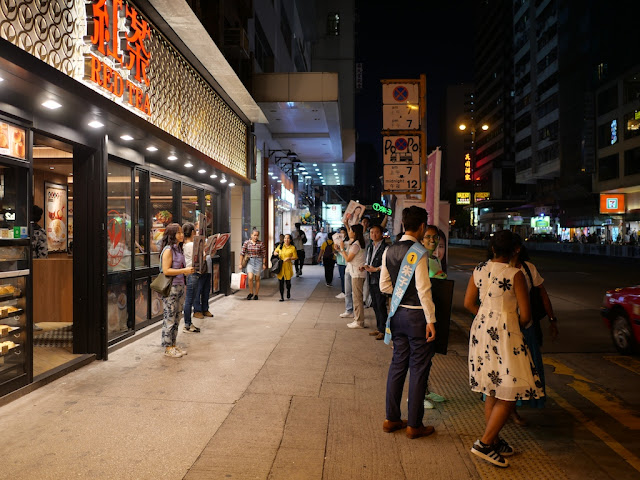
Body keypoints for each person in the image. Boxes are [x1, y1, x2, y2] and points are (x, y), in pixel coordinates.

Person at [463, 230, 544, 468]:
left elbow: (468, 303)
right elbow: (527, 315)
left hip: (480, 331)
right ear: (514, 250)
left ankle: (495, 441)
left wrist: (487, 318)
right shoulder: (514, 273)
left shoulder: (478, 269)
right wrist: (506, 322)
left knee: (492, 387)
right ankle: (485, 443)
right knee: (511, 389)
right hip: (506, 333)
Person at [380, 206, 437, 439]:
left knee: (397, 366)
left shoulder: (389, 250)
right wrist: (431, 320)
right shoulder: (419, 252)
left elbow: (385, 286)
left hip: (397, 316)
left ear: (403, 224)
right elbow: (424, 289)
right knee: (418, 369)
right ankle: (414, 424)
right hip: (417, 318)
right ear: (422, 227)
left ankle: (391, 419)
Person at [509, 234, 559, 426]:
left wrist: (552, 320)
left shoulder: (529, 269)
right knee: (509, 370)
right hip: (505, 329)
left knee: (526, 370)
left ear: (517, 249)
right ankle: (509, 410)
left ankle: (514, 406)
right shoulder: (496, 268)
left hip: (527, 328)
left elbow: (542, 294)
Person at [419, 225, 447, 408]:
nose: (432, 240)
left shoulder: (434, 258)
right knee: (421, 357)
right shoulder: (420, 259)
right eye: (428, 237)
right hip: (422, 314)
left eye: (435, 237)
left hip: (434, 311)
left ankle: (426, 391)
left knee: (429, 356)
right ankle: (418, 396)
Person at [160, 223, 195, 358]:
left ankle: (173, 345)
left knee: (177, 318)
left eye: (182, 232)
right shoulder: (168, 250)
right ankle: (168, 347)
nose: (181, 235)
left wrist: (186, 272)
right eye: (179, 232)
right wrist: (184, 270)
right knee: (169, 318)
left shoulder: (179, 249)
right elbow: (166, 270)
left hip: (180, 286)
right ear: (172, 235)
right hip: (171, 287)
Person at [337, 224, 366, 328]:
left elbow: (348, 259)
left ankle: (359, 321)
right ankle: (357, 319)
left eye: (351, 230)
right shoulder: (357, 243)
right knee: (356, 297)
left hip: (357, 274)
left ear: (354, 232)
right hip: (356, 273)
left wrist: (342, 249)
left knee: (357, 298)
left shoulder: (356, 245)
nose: (349, 232)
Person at [364, 224, 388, 340]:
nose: (373, 234)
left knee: (381, 305)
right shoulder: (370, 246)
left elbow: (388, 264)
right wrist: (365, 266)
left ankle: (384, 330)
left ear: (381, 234)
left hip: (380, 279)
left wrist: (376, 269)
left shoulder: (386, 247)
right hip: (371, 278)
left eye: (376, 232)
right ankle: (379, 328)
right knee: (375, 305)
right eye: (372, 232)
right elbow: (369, 260)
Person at [182, 223, 201, 333]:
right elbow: (199, 257)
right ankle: (187, 324)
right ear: (193, 232)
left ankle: (188, 323)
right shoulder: (191, 245)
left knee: (190, 299)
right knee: (189, 299)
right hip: (192, 272)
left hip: (190, 273)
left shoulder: (185, 245)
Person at [240, 229, 267, 300]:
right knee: (250, 277)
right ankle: (251, 292)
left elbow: (264, 255)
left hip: (258, 261)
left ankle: (256, 294)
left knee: (257, 278)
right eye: (254, 235)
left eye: (257, 235)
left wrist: (264, 264)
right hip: (250, 261)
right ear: (251, 235)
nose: (256, 237)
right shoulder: (247, 243)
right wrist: (240, 264)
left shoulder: (261, 243)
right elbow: (242, 253)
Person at [274, 234, 297, 301]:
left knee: (288, 282)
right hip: (280, 266)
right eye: (285, 238)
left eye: (288, 238)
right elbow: (275, 252)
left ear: (290, 240)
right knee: (281, 282)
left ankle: (288, 291)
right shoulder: (280, 246)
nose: (286, 240)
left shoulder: (292, 248)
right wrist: (276, 253)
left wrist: (289, 258)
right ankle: (282, 297)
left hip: (288, 267)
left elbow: (295, 257)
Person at [334, 227, 348, 300]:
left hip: (346, 262)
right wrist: (335, 250)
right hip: (340, 261)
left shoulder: (348, 241)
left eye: (343, 232)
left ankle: (346, 292)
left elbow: (346, 252)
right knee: (342, 278)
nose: (342, 234)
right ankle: (343, 291)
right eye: (341, 232)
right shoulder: (338, 241)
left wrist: (340, 249)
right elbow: (337, 253)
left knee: (346, 278)